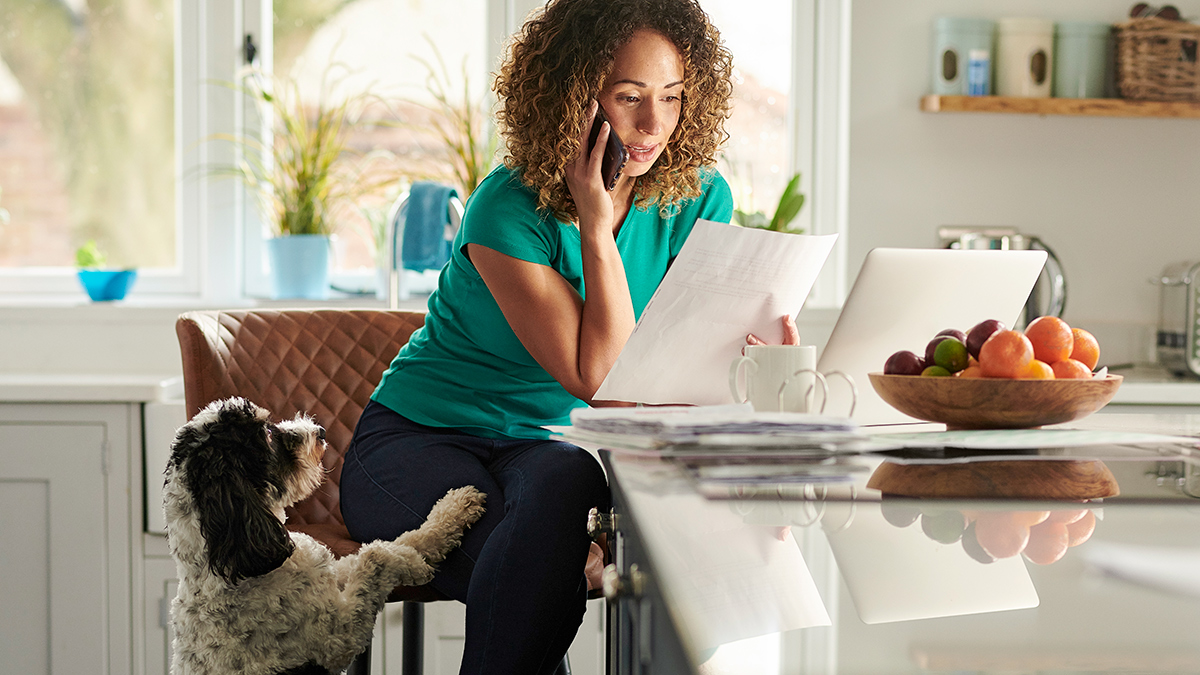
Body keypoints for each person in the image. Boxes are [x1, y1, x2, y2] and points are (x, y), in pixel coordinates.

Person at [340, 0, 795, 672]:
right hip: (416, 439)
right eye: (629, 96)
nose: (652, 125)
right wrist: (594, 222)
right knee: (536, 563)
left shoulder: (701, 200)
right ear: (574, 97)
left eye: (672, 98)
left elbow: (661, 379)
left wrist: (751, 361)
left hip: (551, 448)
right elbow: (605, 377)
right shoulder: (506, 208)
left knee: (564, 482)